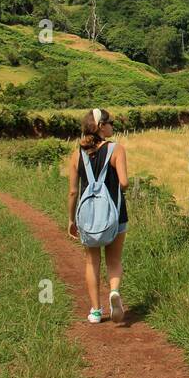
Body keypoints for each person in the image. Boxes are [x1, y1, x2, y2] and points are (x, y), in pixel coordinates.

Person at [67, 108, 129, 323]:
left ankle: (95, 310)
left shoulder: (77, 154)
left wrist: (71, 220)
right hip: (115, 215)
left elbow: (73, 191)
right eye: (110, 122)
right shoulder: (116, 149)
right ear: (101, 126)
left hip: (88, 217)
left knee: (91, 261)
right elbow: (124, 183)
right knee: (114, 259)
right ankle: (114, 291)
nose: (113, 125)